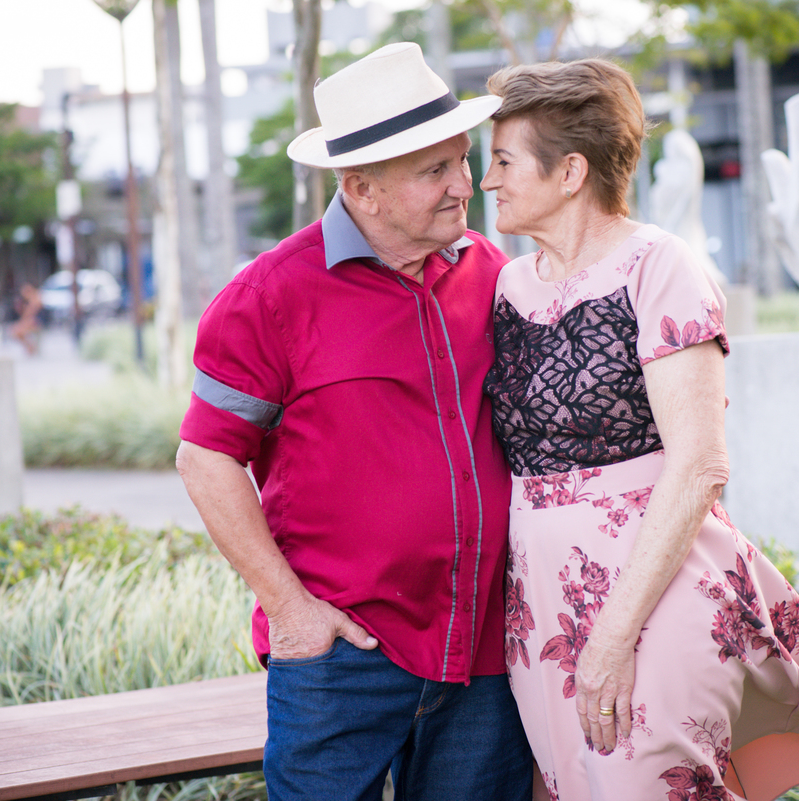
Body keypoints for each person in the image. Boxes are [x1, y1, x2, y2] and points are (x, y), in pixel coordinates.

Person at [479, 59, 799, 801]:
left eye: (504, 161)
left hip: (654, 589)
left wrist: (613, 636)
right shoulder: (508, 285)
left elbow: (701, 463)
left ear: (570, 172)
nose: (488, 181)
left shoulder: (660, 266)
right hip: (540, 606)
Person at [175, 43, 532, 801]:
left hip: (483, 655)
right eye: (433, 171)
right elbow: (205, 457)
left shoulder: (494, 274)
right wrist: (291, 611)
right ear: (361, 188)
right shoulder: (268, 297)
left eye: (462, 161)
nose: (463, 185)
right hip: (342, 658)